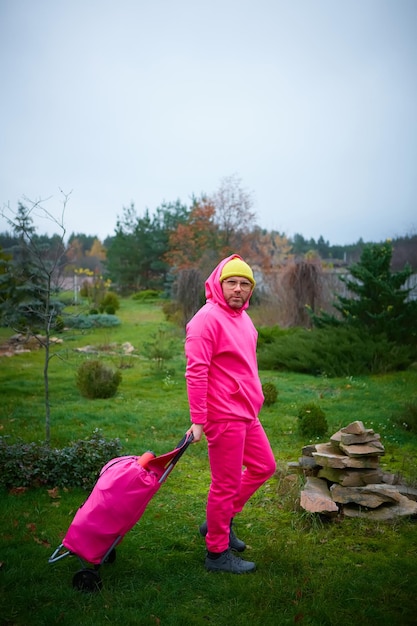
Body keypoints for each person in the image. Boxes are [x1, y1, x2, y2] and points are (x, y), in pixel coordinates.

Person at [185, 254, 276, 574]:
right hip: (223, 415)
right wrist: (198, 419)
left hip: (247, 412)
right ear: (219, 284)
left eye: (244, 284)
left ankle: (217, 521)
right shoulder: (205, 320)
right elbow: (195, 372)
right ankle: (217, 554)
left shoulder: (243, 319)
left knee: (264, 466)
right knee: (224, 484)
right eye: (232, 282)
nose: (238, 289)